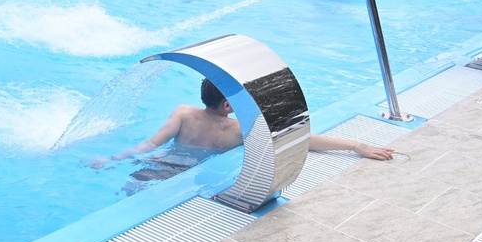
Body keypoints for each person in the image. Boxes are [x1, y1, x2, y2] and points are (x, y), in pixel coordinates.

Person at [93, 79, 394, 169]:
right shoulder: (239, 130)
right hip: (186, 172)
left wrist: (112, 159)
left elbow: (149, 144)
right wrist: (355, 145)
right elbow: (300, 138)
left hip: (159, 162)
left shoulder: (183, 113)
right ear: (228, 105)